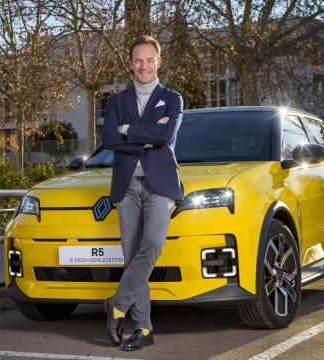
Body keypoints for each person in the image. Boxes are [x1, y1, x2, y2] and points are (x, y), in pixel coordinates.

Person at [100, 35, 184, 351]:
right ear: (131, 64)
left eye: (150, 59)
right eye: (138, 60)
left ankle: (117, 305)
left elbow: (165, 135)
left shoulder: (172, 99)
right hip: (126, 186)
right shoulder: (117, 100)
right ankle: (144, 329)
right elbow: (109, 139)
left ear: (158, 62)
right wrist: (145, 137)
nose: (144, 66)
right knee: (133, 255)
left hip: (159, 185)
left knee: (152, 245)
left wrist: (128, 131)